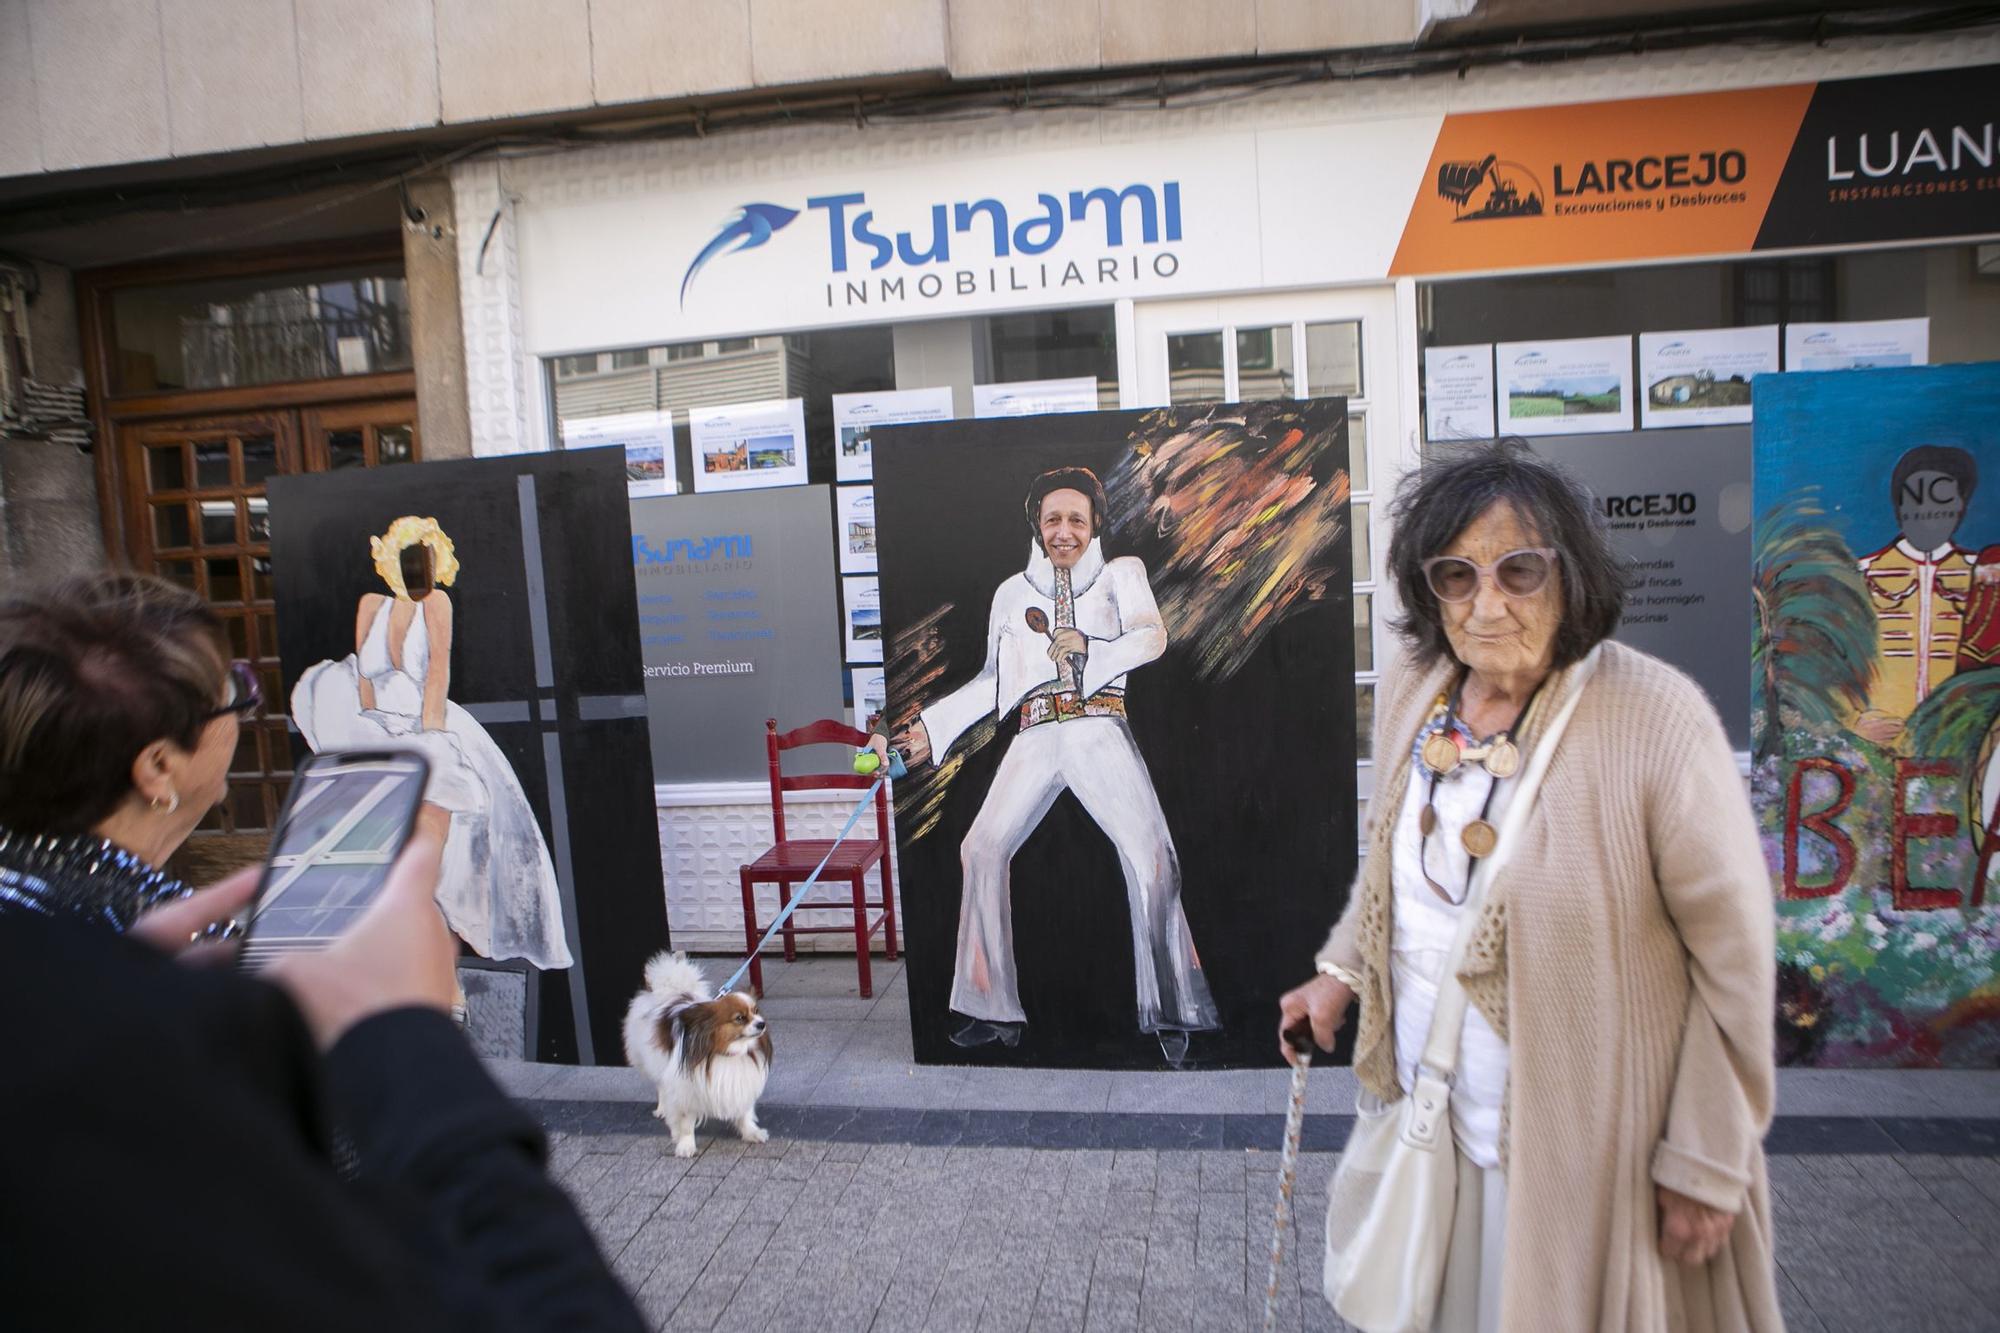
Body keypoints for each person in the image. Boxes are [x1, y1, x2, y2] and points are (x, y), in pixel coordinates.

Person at [0, 571, 643, 1331]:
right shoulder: (140, 1028)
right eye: (234, 689)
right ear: (159, 769)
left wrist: (123, 976)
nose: (250, 703)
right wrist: (410, 1035)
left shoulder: (71, 956)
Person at [1278, 441, 1781, 1331]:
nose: (1488, 601)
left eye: (1519, 569)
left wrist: (1706, 1157)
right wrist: (1343, 969)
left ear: (1572, 576)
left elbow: (1736, 963)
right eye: (1456, 576)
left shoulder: (1655, 719)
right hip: (1442, 1120)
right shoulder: (1416, 689)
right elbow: (1395, 869)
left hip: (1586, 1153)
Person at [881, 466, 1219, 1064]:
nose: (1064, 531)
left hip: (1099, 728)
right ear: (1037, 524)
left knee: (1155, 858)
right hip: (1035, 731)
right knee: (980, 848)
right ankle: (990, 1009)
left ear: (1094, 525)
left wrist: (1094, 649)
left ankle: (1171, 1010)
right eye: (1053, 519)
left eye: (1077, 520)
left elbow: (1152, 637)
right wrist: (926, 733)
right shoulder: (1011, 594)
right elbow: (992, 683)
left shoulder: (1122, 575)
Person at [292, 516, 573, 978]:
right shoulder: (370, 604)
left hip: (428, 725)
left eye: (423, 559)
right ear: (390, 561)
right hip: (374, 725)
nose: (415, 569)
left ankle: (444, 971)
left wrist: (430, 740)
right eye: (407, 559)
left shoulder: (437, 604)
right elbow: (363, 674)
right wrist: (371, 725)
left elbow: (436, 675)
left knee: (447, 842)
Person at [1852, 444, 1981, 745]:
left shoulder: (1982, 576)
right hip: (1878, 751)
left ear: (1961, 506)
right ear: (1899, 506)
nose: (1928, 512)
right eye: (1916, 500)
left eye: (1943, 501)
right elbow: (1831, 664)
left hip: (1962, 748)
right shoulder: (1861, 575)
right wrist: (1852, 725)